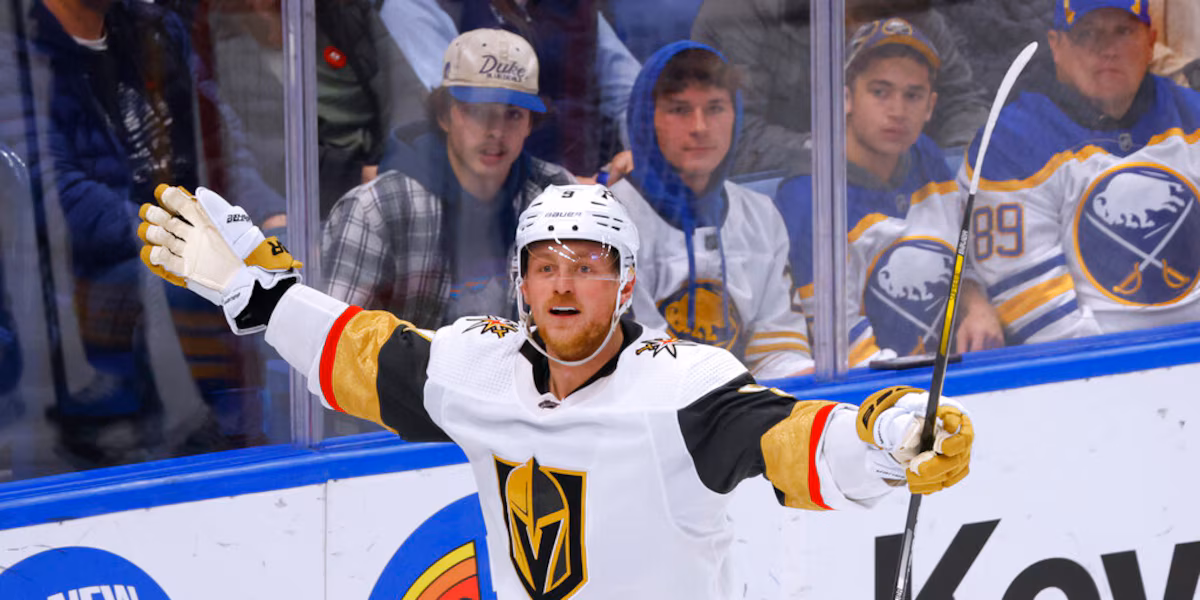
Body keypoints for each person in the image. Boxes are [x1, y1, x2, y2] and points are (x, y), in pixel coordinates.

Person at [138, 181, 974, 597]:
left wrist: (889, 438)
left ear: (625, 284)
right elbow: (362, 356)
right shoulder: (477, 371)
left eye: (588, 266)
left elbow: (790, 439)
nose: (565, 284)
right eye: (546, 266)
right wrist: (260, 293)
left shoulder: (682, 389)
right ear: (521, 283)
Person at [963, 0, 1200, 345]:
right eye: (1087, 34)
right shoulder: (1009, 146)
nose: (1107, 49)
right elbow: (1041, 317)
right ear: (1057, 47)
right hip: (1088, 375)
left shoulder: (1193, 119)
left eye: (1123, 31)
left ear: (1150, 41)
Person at [775, 18, 1003, 366]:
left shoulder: (926, 157)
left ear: (930, 106)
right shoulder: (810, 197)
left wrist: (976, 305)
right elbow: (840, 347)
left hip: (944, 379)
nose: (898, 111)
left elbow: (960, 259)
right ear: (846, 97)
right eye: (880, 92)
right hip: (873, 400)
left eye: (913, 95)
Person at [322, 28, 573, 327]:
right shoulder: (375, 209)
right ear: (444, 115)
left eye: (513, 114)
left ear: (531, 123)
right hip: (410, 375)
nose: (495, 131)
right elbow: (336, 347)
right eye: (479, 112)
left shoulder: (557, 198)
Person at [613, 42, 814, 379]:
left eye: (716, 108)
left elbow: (779, 353)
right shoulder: (610, 219)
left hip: (744, 414)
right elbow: (642, 370)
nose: (700, 127)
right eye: (679, 110)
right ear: (648, 121)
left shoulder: (760, 215)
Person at [691, 0, 990, 174]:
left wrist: (963, 169)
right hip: (788, 207)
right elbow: (730, 136)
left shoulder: (912, 10)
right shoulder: (739, 11)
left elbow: (960, 102)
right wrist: (841, 154)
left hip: (906, 193)